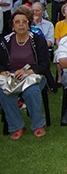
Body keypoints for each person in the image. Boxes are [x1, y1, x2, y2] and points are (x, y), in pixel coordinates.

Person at [0, 8, 55, 140]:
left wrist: (27, 72)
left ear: (28, 24)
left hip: (34, 75)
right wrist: (3, 70)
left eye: (24, 22)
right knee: (4, 92)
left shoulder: (38, 40)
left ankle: (37, 124)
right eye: (17, 22)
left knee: (31, 91)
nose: (21, 25)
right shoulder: (4, 42)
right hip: (12, 75)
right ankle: (16, 125)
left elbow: (44, 64)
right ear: (12, 25)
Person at [53, 3, 67, 83]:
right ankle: (59, 77)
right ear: (63, 13)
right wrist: (61, 47)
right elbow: (57, 40)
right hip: (62, 46)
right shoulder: (59, 24)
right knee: (58, 54)